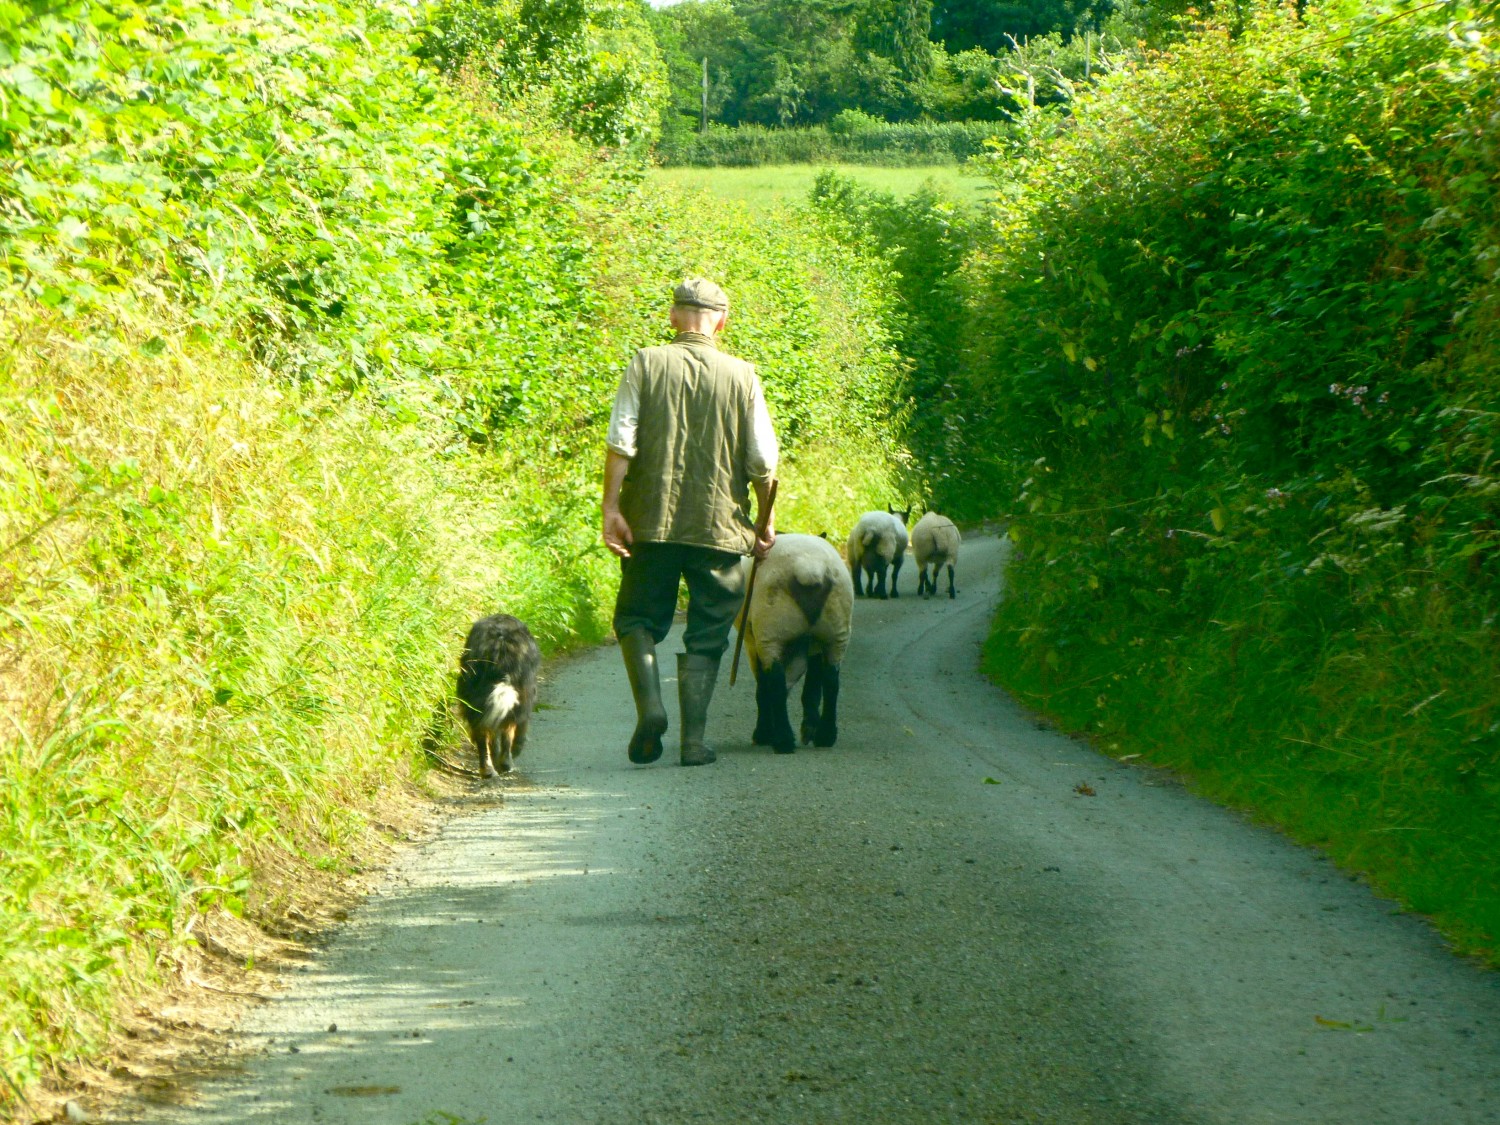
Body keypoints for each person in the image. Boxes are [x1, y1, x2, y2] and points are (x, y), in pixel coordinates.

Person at [601, 278, 778, 767]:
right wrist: (764, 521)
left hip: (649, 522)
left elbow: (622, 442)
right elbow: (763, 461)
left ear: (674, 317)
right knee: (708, 631)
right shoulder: (744, 375)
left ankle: (652, 708)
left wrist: (611, 509)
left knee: (636, 618)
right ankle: (694, 743)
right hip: (719, 527)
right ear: (721, 321)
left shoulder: (645, 363)